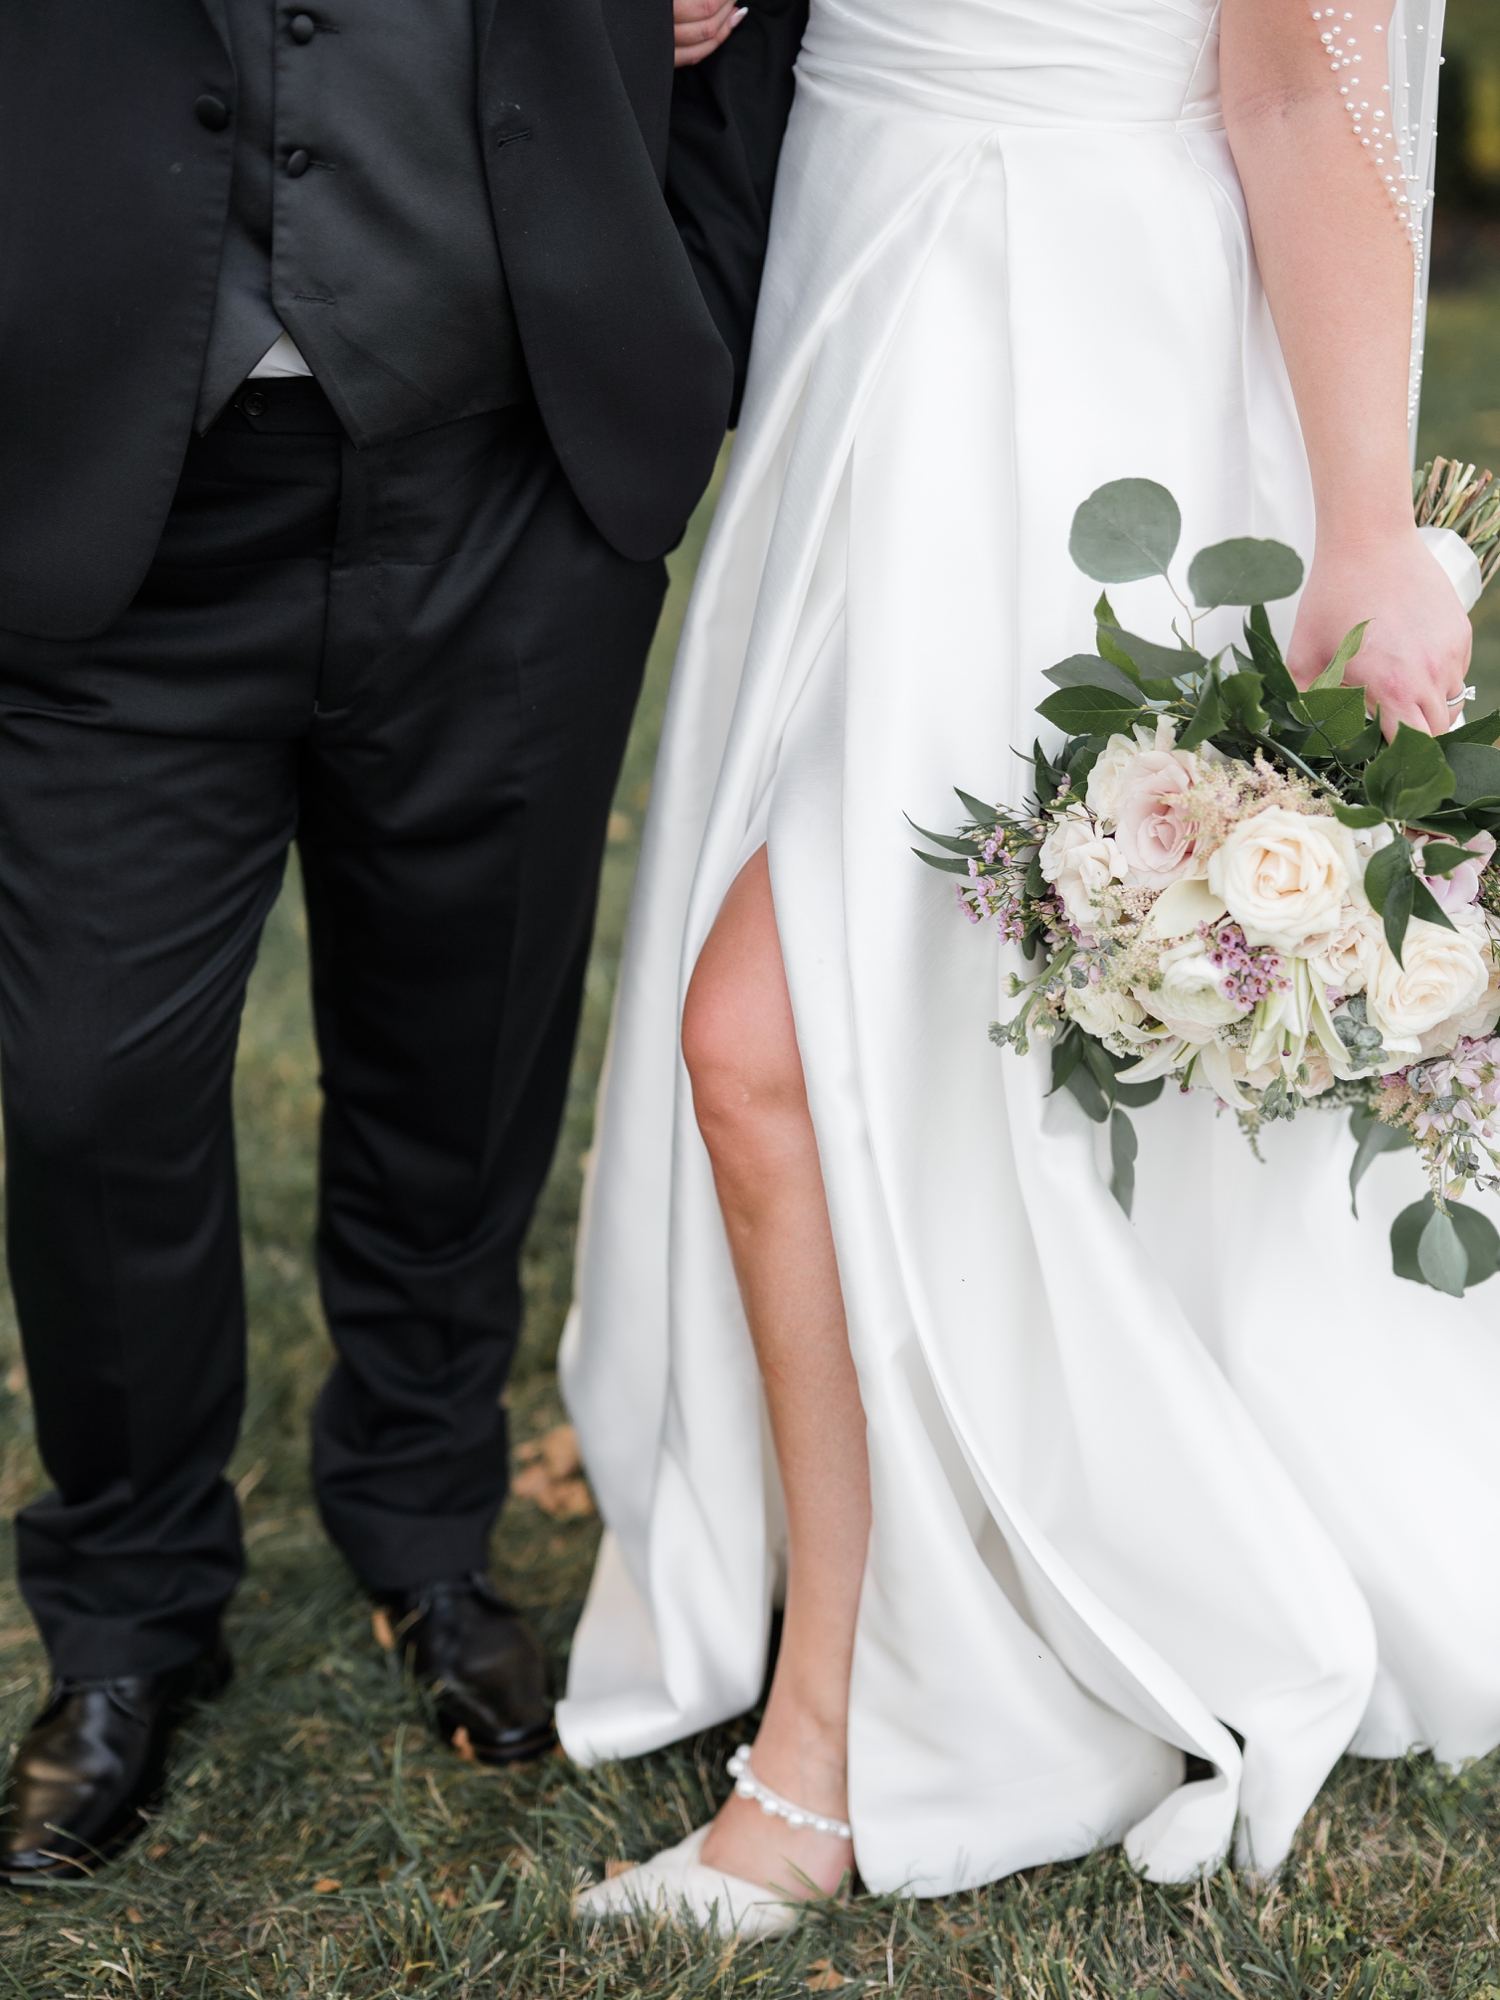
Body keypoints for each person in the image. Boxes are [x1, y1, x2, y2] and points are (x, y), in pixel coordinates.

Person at [561, 0, 1500, 1936]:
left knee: (766, 1043)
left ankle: (827, 1749)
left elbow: (1294, 82)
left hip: (1070, 345)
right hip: (861, 282)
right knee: (898, 1058)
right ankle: (949, 1581)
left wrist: (1357, 525)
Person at [0, 0, 806, 1885]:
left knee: (469, 1036)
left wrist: (690, 303)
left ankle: (427, 1521)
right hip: (102, 465)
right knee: (91, 1085)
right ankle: (125, 1617)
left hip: (509, 473)